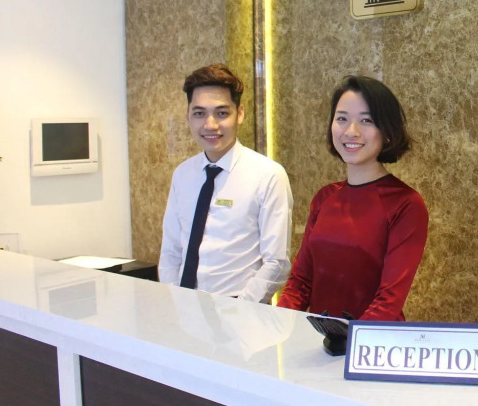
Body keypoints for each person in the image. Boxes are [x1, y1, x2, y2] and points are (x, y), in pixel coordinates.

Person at [278, 75, 428, 321]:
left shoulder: (406, 204)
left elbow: (388, 300)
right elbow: (301, 282)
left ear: (387, 130)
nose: (351, 131)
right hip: (319, 339)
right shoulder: (325, 197)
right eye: (342, 119)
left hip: (372, 340)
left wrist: (350, 340)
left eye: (366, 120)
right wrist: (278, 329)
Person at [159, 64, 293, 303]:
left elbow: (276, 261)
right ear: (188, 115)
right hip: (183, 305)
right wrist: (174, 300)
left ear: (239, 114)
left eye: (221, 113)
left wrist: (242, 308)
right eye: (199, 113)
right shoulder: (183, 174)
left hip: (238, 305)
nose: (210, 125)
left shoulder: (268, 175)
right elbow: (171, 251)